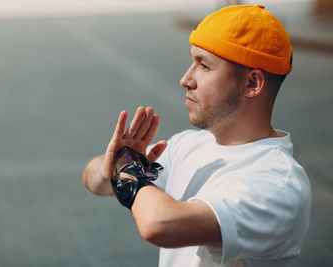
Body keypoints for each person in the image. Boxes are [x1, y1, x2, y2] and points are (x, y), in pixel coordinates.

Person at [82, 4, 311, 267]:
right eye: (192, 61)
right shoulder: (188, 144)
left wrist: (129, 168)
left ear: (252, 83)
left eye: (204, 66)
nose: (185, 79)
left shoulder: (276, 183)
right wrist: (115, 164)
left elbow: (158, 224)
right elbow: (93, 180)